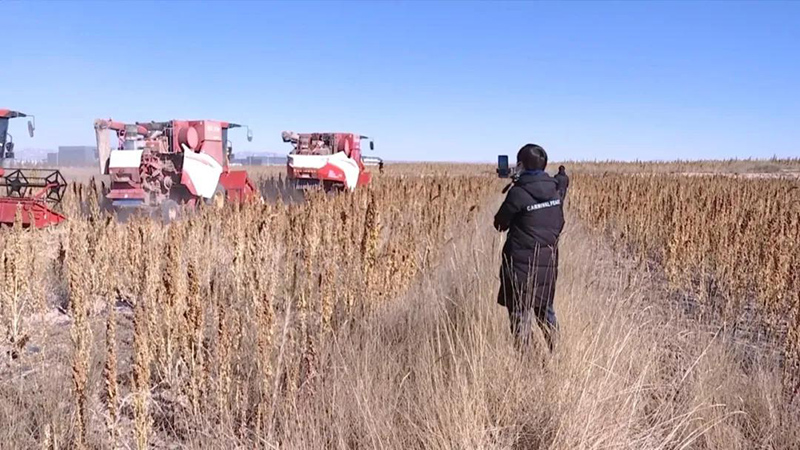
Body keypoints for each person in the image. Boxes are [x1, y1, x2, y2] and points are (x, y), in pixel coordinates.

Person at [494, 144, 565, 352]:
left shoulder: (518, 193)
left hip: (520, 267)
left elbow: (500, 224)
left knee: (520, 315)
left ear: (521, 165)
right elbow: (559, 223)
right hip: (548, 264)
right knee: (545, 310)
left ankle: (526, 367)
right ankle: (557, 354)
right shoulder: (555, 191)